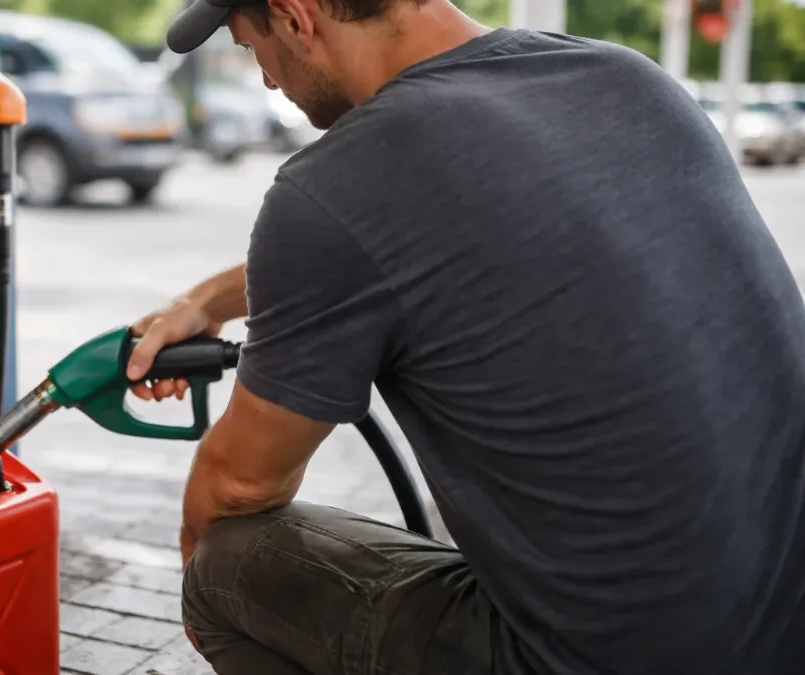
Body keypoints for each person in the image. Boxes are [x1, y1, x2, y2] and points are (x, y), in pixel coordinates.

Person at [124, 0, 805, 673]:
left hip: (595, 655)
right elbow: (433, 236)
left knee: (226, 568)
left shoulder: (339, 181)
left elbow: (238, 490)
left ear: (297, 17)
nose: (268, 79)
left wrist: (192, 582)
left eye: (252, 46)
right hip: (777, 629)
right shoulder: (628, 80)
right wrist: (208, 299)